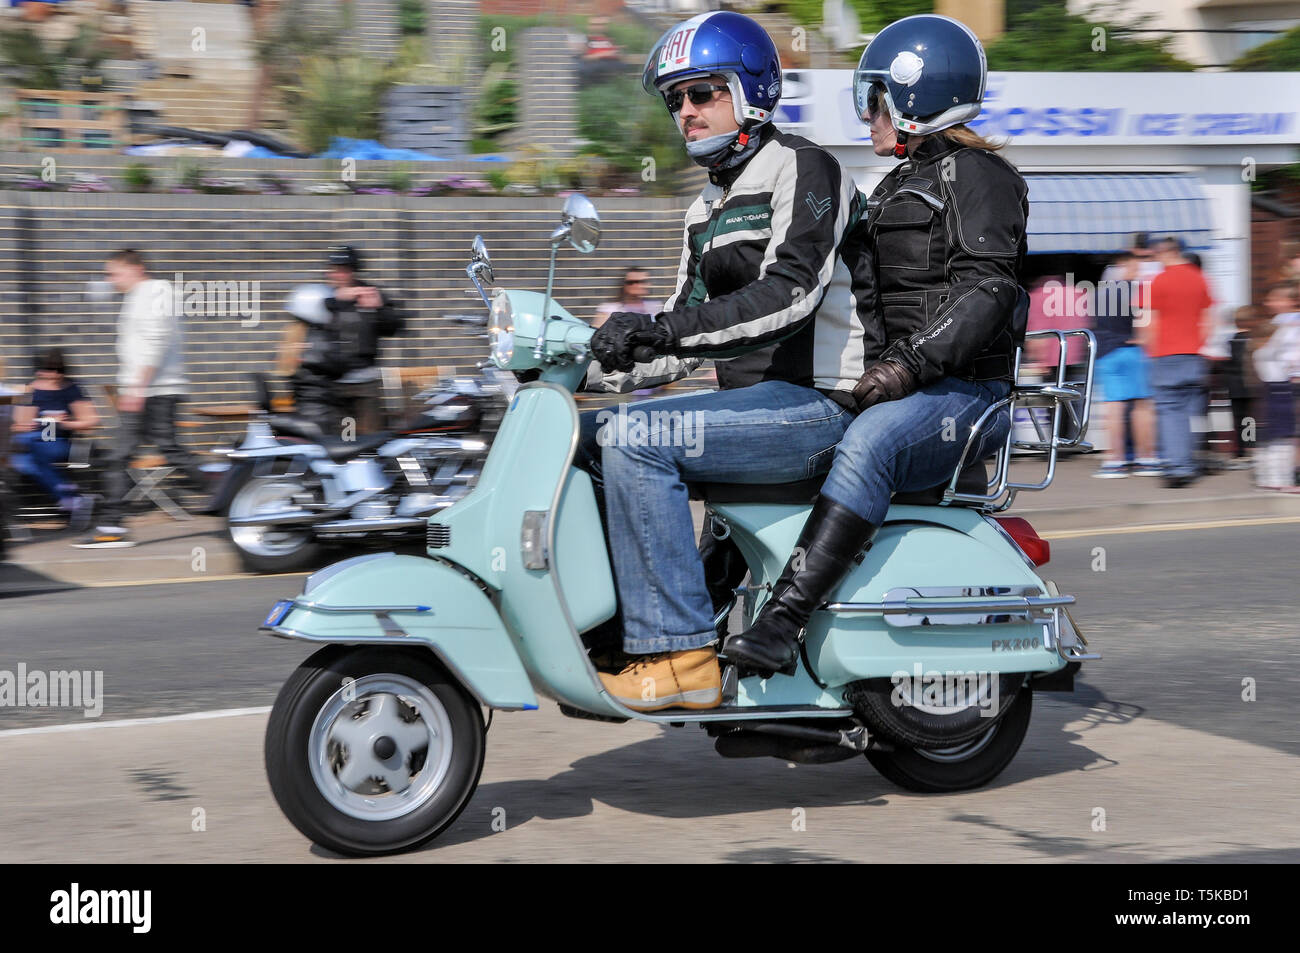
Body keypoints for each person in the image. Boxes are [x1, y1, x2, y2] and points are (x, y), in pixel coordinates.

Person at [577, 11, 872, 710]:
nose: (685, 110)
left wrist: (657, 330)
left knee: (638, 437)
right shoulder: (704, 207)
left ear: (750, 92)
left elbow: (789, 296)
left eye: (702, 92)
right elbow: (672, 348)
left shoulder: (806, 168)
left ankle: (680, 655)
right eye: (675, 98)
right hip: (748, 410)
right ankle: (618, 628)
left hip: (816, 402)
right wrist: (579, 367)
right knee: (580, 436)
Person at [723, 14, 1025, 677]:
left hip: (964, 394)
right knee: (748, 445)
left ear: (917, 96)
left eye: (876, 97)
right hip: (902, 383)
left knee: (871, 441)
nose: (868, 114)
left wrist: (906, 366)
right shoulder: (890, 187)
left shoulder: (979, 176)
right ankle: (696, 628)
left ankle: (781, 622)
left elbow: (989, 292)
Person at [76, 249, 215, 548]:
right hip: (151, 389)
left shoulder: (154, 292)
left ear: (136, 269)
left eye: (114, 273)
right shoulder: (140, 296)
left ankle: (112, 527)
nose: (109, 280)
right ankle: (225, 490)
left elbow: (156, 340)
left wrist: (137, 388)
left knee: (125, 455)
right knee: (162, 450)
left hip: (153, 390)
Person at [290, 245, 407, 436]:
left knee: (372, 438)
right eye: (334, 269)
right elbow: (306, 318)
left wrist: (379, 310)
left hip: (365, 383)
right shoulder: (322, 297)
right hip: (333, 385)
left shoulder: (370, 294)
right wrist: (336, 300)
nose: (338, 274)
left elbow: (395, 326)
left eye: (344, 269)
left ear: (353, 270)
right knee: (346, 438)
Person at [1139, 236, 1215, 487]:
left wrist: (1148, 349)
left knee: (1170, 413)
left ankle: (1177, 467)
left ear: (1166, 252)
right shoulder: (1199, 278)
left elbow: (1149, 321)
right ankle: (1188, 461)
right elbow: (1210, 317)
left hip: (1166, 354)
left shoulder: (1159, 280)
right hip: (1193, 355)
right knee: (1191, 412)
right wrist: (1197, 343)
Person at [10, 347, 98, 525]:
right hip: (33, 437)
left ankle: (69, 499)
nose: (52, 377)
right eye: (48, 372)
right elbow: (17, 425)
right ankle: (71, 497)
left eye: (56, 373)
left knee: (27, 451)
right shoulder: (32, 390)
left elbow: (91, 421)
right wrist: (30, 423)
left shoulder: (71, 390)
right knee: (23, 451)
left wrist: (64, 423)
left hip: (56, 439)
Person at [1091, 253, 1158, 477]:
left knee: (1113, 408)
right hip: (1133, 351)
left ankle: (1114, 461)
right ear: (1127, 267)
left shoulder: (1098, 294)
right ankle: (1146, 459)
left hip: (1107, 353)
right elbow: (1145, 322)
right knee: (1142, 407)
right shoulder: (1139, 292)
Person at [1252, 283, 1300, 490]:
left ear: (1293, 301)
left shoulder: (1289, 326)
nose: (1270, 303)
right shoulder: (1279, 323)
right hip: (1282, 385)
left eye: (1277, 299)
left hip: (1290, 383)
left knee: (1292, 433)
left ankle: (1291, 476)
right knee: (1289, 434)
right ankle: (1286, 475)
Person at [593, 267, 662, 329]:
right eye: (631, 282)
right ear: (624, 285)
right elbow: (596, 335)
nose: (639, 285)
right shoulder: (608, 309)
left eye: (643, 281)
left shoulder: (655, 306)